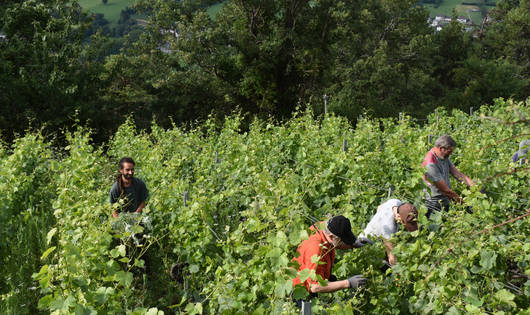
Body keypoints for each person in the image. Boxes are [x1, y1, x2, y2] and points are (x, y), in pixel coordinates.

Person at [292, 215, 367, 299]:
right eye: (343, 241)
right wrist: (348, 283)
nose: (344, 243)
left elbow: (337, 243)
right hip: (299, 292)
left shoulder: (323, 227)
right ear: (331, 236)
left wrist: (352, 244)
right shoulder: (315, 250)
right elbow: (314, 287)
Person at [421, 135, 474, 217]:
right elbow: (446, 191)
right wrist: (465, 205)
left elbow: (457, 173)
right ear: (441, 148)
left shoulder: (443, 156)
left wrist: (474, 186)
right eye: (449, 152)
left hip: (444, 200)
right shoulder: (430, 164)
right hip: (433, 204)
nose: (450, 154)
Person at [357, 199, 418, 267]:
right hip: (365, 245)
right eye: (404, 222)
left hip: (377, 242)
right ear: (398, 216)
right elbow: (392, 256)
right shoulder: (389, 227)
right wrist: (397, 271)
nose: (403, 225)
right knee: (385, 267)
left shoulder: (395, 202)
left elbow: (379, 207)